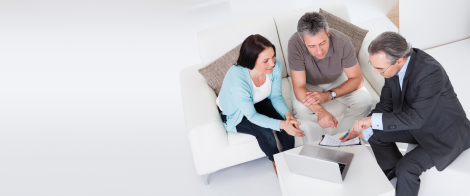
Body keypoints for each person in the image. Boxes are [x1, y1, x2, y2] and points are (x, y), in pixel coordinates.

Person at [341, 32, 470, 196]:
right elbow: (386, 104)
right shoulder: (391, 67)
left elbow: (416, 119)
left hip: (444, 133)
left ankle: (402, 176)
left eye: (379, 68)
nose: (375, 72)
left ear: (399, 60)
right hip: (416, 125)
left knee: (407, 167)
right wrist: (366, 126)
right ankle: (394, 175)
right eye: (373, 65)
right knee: (373, 133)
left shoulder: (430, 72)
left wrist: (372, 120)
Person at [217, 34, 305, 175]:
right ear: (251, 60)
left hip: (258, 101)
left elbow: (276, 96)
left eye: (273, 56)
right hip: (236, 112)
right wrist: (282, 125)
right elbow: (251, 115)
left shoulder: (274, 67)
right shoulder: (237, 80)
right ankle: (276, 160)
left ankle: (288, 156)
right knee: (265, 133)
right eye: (266, 60)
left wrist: (287, 115)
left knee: (287, 122)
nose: (272, 63)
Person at [288, 12, 372, 142]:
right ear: (302, 40)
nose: (319, 51)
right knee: (301, 110)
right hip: (308, 83)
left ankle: (340, 142)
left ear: (328, 33)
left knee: (365, 100)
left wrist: (329, 95)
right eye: (312, 46)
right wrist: (320, 111)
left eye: (322, 43)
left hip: (337, 80)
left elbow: (357, 80)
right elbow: (299, 87)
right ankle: (315, 149)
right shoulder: (294, 43)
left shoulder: (342, 41)